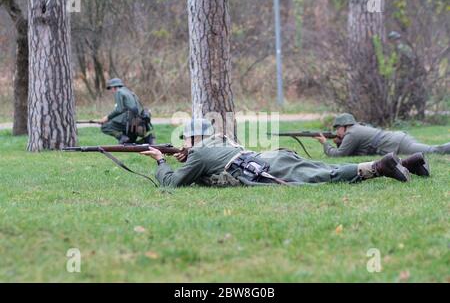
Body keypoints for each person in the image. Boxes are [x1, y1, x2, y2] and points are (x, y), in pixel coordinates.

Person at [140, 119, 431, 188]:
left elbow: (171, 184)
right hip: (271, 157)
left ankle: (380, 167)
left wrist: (161, 160)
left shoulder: (199, 154)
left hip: (260, 167)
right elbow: (206, 162)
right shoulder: (219, 140)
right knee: (317, 167)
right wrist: (189, 157)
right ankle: (408, 162)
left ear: (193, 137)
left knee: (322, 176)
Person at [314, 113, 449, 160]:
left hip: (398, 144)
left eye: (338, 128)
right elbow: (352, 151)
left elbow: (339, 155)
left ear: (344, 126)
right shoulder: (355, 129)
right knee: (431, 150)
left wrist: (325, 143)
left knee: (434, 150)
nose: (337, 132)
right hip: (398, 140)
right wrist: (338, 142)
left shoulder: (352, 134)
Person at [98, 78, 155, 144]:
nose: (111, 91)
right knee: (128, 143)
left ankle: (121, 137)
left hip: (129, 122)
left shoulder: (119, 92)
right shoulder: (130, 92)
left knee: (105, 126)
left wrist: (107, 118)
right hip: (138, 122)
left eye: (110, 88)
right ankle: (147, 140)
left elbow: (119, 110)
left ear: (114, 87)